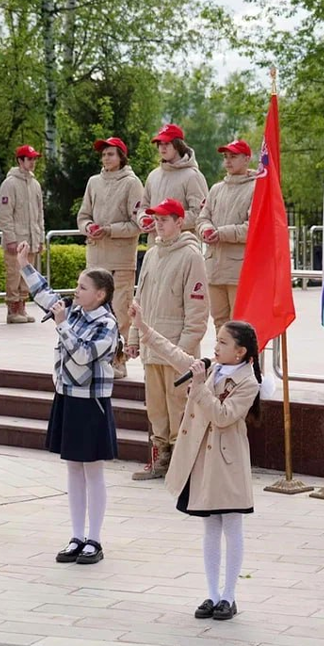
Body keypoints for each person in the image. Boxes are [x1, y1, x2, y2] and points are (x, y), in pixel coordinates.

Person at [130, 300, 270, 621]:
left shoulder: (248, 382)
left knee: (232, 525)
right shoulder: (211, 367)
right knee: (209, 526)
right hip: (202, 460)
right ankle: (211, 594)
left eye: (223, 342)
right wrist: (144, 329)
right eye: (216, 340)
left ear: (241, 353)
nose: (216, 347)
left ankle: (229, 596)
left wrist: (199, 386)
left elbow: (223, 417)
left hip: (228, 463)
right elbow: (176, 355)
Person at [14, 240, 120, 565]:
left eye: (82, 287)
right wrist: (23, 264)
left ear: (100, 294)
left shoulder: (107, 325)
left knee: (93, 470)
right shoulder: (73, 311)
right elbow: (44, 294)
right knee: (73, 467)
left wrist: (61, 326)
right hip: (67, 398)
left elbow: (84, 354)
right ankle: (76, 536)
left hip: (92, 403)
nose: (76, 291)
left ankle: (95, 539)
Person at [125, 198, 209, 480]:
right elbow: (140, 299)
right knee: (156, 406)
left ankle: (182, 464)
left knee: (178, 407)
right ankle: (160, 459)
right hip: (151, 347)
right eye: (156, 219)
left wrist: (183, 353)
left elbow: (198, 311)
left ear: (179, 222)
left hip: (176, 347)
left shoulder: (191, 255)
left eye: (164, 219)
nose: (158, 224)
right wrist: (134, 336)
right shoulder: (151, 253)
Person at [77, 137, 144, 377]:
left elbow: (137, 224)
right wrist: (88, 227)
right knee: (92, 310)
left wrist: (110, 229)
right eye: (104, 154)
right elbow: (83, 215)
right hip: (96, 256)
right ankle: (95, 358)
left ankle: (119, 360)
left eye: (111, 154)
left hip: (121, 259)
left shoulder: (132, 183)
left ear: (122, 157)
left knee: (120, 311)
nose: (106, 158)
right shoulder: (93, 182)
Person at [197, 139, 256, 334]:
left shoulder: (256, 188)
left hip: (239, 269)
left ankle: (242, 363)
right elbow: (202, 218)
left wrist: (221, 233)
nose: (228, 161)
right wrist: (205, 229)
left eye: (234, 156)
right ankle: (225, 361)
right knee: (219, 323)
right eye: (225, 157)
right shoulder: (216, 189)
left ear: (247, 159)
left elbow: (252, 228)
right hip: (214, 267)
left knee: (240, 323)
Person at [0, 145, 46, 324]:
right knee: (14, 274)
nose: (33, 162)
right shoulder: (9, 183)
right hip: (17, 239)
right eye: (29, 159)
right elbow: (4, 214)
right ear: (20, 160)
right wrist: (10, 238)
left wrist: (40, 238)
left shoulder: (35, 184)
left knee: (27, 274)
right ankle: (12, 310)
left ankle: (23, 307)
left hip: (31, 239)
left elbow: (40, 214)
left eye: (34, 159)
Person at [138, 124, 208, 234]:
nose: (162, 147)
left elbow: (200, 213)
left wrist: (166, 223)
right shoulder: (153, 175)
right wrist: (143, 219)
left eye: (167, 143)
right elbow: (143, 207)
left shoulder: (193, 176)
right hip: (155, 245)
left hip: (183, 244)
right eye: (160, 144)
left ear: (178, 145)